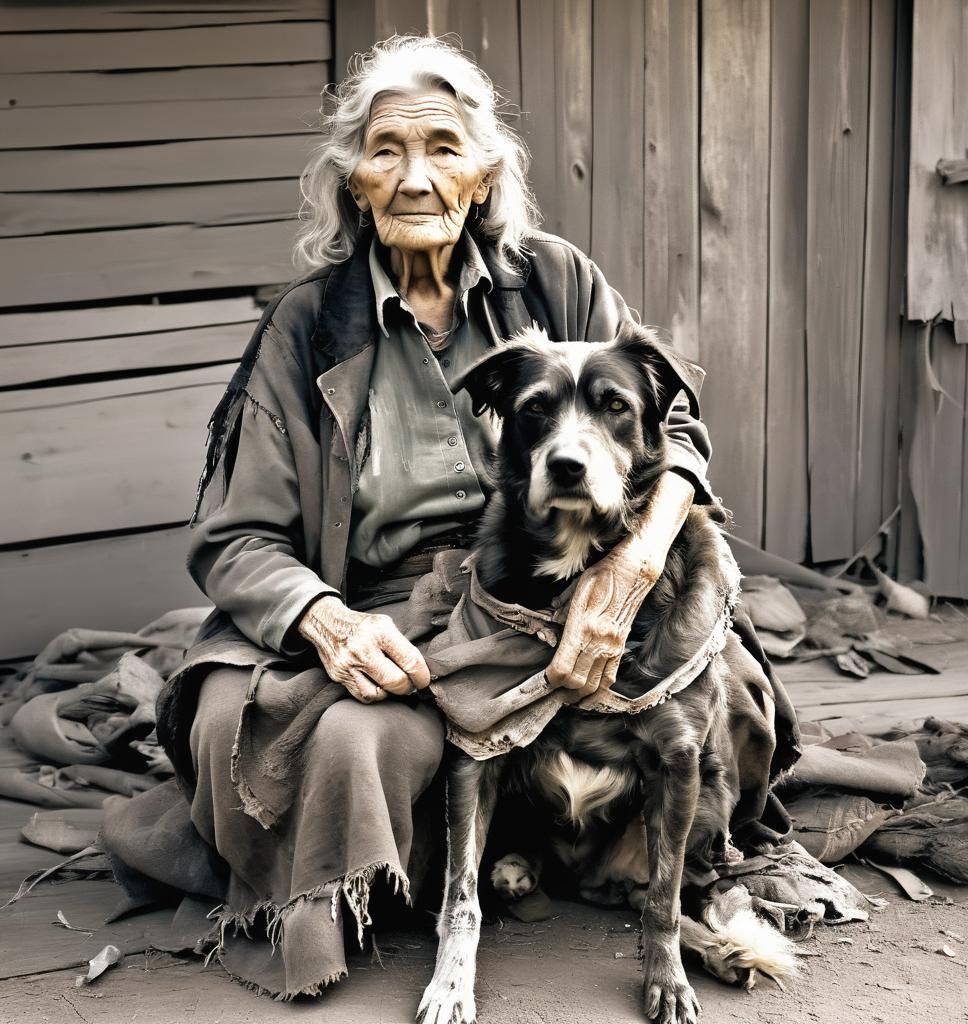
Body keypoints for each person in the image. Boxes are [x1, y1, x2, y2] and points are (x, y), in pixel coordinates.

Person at [106, 35, 716, 999]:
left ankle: (446, 871)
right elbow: (235, 536)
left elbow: (674, 431)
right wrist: (324, 619)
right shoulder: (307, 325)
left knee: (678, 721)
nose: (415, 176)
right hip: (375, 604)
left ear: (483, 174)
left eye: (443, 148)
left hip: (540, 591)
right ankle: (347, 896)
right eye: (386, 150)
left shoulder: (553, 281)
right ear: (354, 181)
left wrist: (632, 568)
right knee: (279, 726)